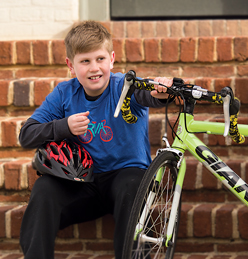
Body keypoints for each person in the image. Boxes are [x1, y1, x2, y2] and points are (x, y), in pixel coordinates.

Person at [18, 20, 173, 259]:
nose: (94, 68)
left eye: (100, 59)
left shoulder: (125, 86)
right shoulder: (64, 93)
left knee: (131, 184)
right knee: (44, 188)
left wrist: (160, 92)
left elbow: (149, 95)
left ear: (111, 58)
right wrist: (64, 126)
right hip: (82, 182)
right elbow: (27, 134)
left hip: (125, 179)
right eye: (85, 61)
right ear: (71, 65)